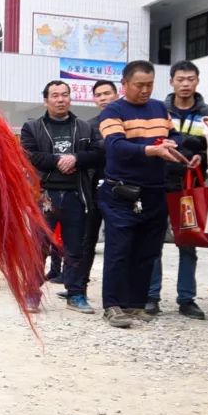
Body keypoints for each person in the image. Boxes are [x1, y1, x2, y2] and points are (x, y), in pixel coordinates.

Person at [98, 61, 196, 328]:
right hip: (122, 191)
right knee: (119, 249)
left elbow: (172, 134)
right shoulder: (113, 111)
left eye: (149, 85)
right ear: (125, 84)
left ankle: (136, 304)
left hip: (155, 190)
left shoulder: (158, 108)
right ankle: (113, 305)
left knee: (147, 250)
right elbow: (116, 146)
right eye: (139, 85)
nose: (144, 90)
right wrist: (152, 150)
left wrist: (179, 148)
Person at [146, 61, 208, 319]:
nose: (185, 84)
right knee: (154, 243)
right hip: (158, 184)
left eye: (190, 79)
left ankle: (187, 298)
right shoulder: (157, 111)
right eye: (180, 79)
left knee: (188, 242)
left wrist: (203, 156)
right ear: (171, 82)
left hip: (190, 186)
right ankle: (151, 296)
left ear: (197, 81)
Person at [20, 80, 99, 313]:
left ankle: (76, 295)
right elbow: (29, 155)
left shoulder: (84, 127)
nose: (60, 99)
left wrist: (76, 159)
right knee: (39, 246)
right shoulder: (32, 127)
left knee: (76, 248)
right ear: (46, 100)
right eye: (55, 95)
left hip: (76, 194)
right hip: (45, 195)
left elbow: (98, 153)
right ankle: (32, 293)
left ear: (70, 98)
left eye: (65, 95)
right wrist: (58, 161)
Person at [73, 79, 118, 298]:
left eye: (107, 93)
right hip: (93, 190)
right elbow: (84, 156)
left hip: (120, 190)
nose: (103, 98)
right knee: (87, 240)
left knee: (117, 242)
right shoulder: (89, 125)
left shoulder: (125, 120)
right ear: (94, 99)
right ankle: (79, 287)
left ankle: (118, 292)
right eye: (98, 95)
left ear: (116, 94)